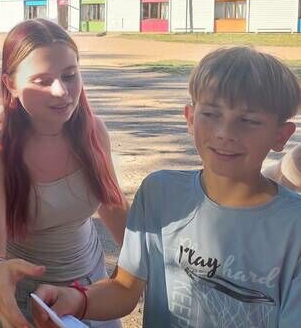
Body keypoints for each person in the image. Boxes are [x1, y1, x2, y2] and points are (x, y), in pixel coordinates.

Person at [31, 46, 301, 328]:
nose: (225, 133)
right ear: (190, 118)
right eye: (211, 114)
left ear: (281, 135)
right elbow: (124, 287)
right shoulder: (159, 193)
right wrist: (77, 300)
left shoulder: (294, 226)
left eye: (248, 121)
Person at [0, 19, 128, 328]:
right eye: (42, 81)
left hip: (89, 293)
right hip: (24, 303)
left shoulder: (94, 131)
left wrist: (151, 262)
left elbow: (113, 205)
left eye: (70, 76)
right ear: (10, 84)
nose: (61, 91)